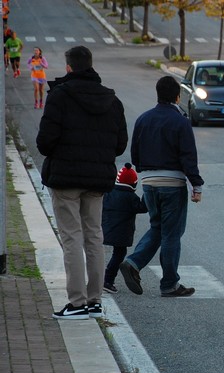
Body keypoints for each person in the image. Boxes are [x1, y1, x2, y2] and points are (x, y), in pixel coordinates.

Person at [36, 46, 128, 320]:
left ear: (68, 67)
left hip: (65, 178)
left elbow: (44, 142)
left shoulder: (60, 96)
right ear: (90, 65)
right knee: (94, 237)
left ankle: (76, 303)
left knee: (71, 237)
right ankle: (94, 300)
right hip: (98, 179)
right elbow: (120, 144)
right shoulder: (112, 100)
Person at [119, 76, 204, 298]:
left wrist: (146, 174)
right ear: (178, 96)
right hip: (172, 184)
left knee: (158, 227)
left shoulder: (143, 119)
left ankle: (133, 262)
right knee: (172, 234)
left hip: (148, 183)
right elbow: (188, 157)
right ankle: (169, 284)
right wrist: (196, 185)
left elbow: (135, 153)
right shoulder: (181, 122)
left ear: (157, 94)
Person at [102, 163, 148, 294]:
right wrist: (146, 194)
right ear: (134, 184)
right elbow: (143, 208)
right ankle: (108, 280)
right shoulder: (131, 198)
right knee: (119, 255)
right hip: (121, 234)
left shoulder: (108, 193)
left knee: (96, 251)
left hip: (104, 229)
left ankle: (95, 278)